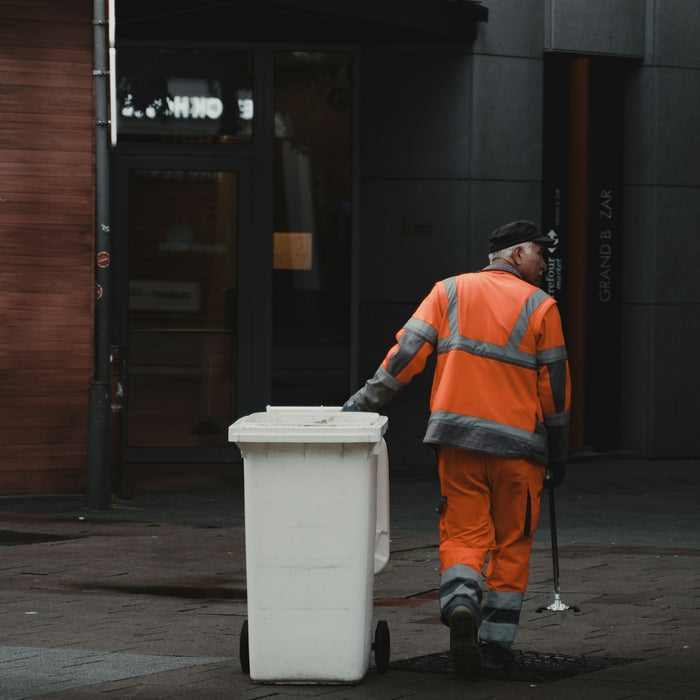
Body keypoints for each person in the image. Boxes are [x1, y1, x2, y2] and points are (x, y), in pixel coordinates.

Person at [343, 220, 571, 679]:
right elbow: (555, 389)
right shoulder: (543, 306)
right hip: (519, 449)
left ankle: (462, 600)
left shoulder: (448, 291)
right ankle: (495, 646)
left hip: (457, 442)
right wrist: (559, 449)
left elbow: (405, 355)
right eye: (541, 254)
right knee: (512, 542)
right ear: (517, 252)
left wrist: (360, 406)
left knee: (464, 534)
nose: (545, 265)